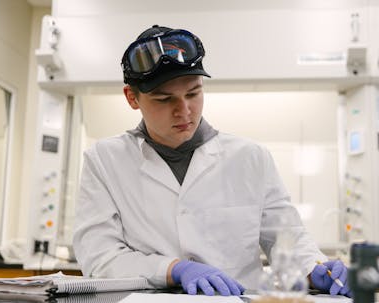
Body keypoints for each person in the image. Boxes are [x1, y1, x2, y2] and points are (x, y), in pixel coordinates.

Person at [73, 25, 351, 297]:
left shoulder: (250, 157)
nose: (184, 111)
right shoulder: (104, 160)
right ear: (132, 97)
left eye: (193, 93)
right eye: (164, 99)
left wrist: (315, 270)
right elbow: (100, 257)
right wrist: (173, 269)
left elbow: (286, 240)